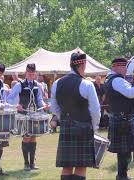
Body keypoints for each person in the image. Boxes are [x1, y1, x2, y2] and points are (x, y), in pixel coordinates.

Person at [50, 52, 101, 180]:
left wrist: (64, 119)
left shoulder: (57, 83)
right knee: (81, 165)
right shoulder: (87, 84)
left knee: (66, 166)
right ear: (83, 64)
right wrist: (94, 126)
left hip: (66, 127)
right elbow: (95, 111)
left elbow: (54, 108)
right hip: (84, 127)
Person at [105, 58, 134, 180]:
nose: (126, 70)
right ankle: (122, 176)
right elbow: (130, 93)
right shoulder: (117, 80)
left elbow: (128, 96)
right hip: (122, 120)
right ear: (116, 67)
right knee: (124, 151)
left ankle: (122, 175)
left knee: (125, 151)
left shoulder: (113, 79)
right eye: (124, 67)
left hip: (122, 118)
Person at [7, 63, 49, 171]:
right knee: (26, 137)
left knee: (34, 137)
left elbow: (39, 99)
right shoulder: (19, 84)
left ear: (35, 73)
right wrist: (17, 105)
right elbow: (10, 98)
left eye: (33, 72)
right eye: (29, 72)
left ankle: (32, 164)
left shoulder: (38, 85)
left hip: (35, 115)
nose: (31, 74)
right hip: (24, 115)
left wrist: (44, 105)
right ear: (26, 73)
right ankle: (26, 164)